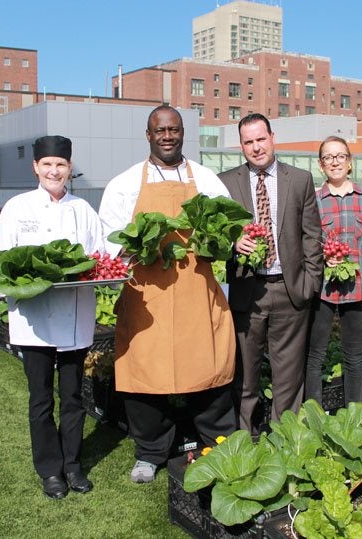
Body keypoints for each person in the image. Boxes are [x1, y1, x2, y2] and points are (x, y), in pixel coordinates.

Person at [99, 105, 237, 483]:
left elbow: (228, 229)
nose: (167, 136)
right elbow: (109, 239)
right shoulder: (125, 184)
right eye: (160, 130)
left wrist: (217, 242)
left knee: (208, 367)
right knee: (145, 373)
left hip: (197, 288)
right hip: (147, 295)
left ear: (182, 133)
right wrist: (135, 248)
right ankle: (151, 451)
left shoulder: (207, 180)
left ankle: (218, 442)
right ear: (148, 134)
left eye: (174, 129)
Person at [0, 135, 105, 499]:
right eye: (48, 164)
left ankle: (72, 464)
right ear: (35, 167)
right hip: (33, 321)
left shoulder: (83, 209)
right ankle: (49, 470)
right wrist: (10, 286)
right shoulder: (17, 208)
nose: (55, 171)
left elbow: (99, 257)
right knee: (41, 400)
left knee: (73, 397)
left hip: (75, 318)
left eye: (62, 165)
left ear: (70, 169)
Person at [219, 113, 324, 433]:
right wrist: (233, 243)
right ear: (241, 146)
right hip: (247, 290)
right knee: (245, 375)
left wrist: (309, 283)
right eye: (248, 142)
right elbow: (215, 237)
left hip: (290, 291)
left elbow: (312, 235)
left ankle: (285, 440)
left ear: (273, 137)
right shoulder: (225, 182)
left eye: (260, 139)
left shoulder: (300, 179)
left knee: (288, 378)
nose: (256, 147)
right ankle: (244, 440)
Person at [304, 136, 362, 408]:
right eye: (328, 157)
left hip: (358, 290)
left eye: (340, 156)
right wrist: (320, 259)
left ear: (349, 162)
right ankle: (312, 414)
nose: (334, 162)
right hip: (322, 291)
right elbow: (305, 245)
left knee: (354, 356)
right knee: (314, 355)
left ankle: (354, 412)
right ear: (320, 165)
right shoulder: (312, 201)